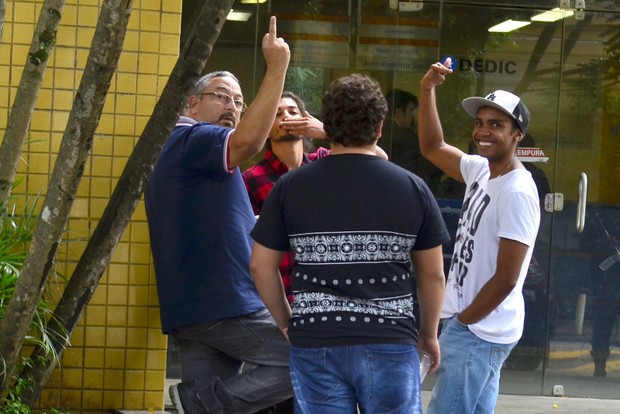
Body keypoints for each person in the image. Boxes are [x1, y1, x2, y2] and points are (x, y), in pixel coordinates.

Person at [250, 73, 449, 414]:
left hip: (315, 338)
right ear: (381, 127)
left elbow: (260, 265)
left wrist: (287, 322)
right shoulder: (413, 188)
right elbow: (432, 275)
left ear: (328, 124)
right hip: (390, 338)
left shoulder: (290, 187)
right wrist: (428, 333)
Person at [144, 17, 293, 414]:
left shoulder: (186, 149)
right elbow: (248, 141)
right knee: (304, 361)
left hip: (196, 307)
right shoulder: (191, 138)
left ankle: (199, 403)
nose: (233, 107)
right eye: (222, 96)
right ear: (192, 104)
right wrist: (277, 68)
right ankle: (199, 403)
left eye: (238, 101)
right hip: (226, 302)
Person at [418, 58, 541, 414]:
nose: (483, 131)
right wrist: (427, 90)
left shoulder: (516, 191)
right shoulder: (481, 170)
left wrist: (464, 323)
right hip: (477, 327)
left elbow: (507, 277)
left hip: (478, 331)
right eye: (480, 123)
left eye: (496, 125)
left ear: (517, 134)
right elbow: (432, 146)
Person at [581, 207, 620, 377]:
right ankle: (599, 364)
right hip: (605, 279)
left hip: (607, 279)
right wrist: (601, 244)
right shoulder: (598, 218)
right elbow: (583, 245)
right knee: (603, 323)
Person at [380, 88, 443, 192]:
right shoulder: (408, 140)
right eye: (411, 111)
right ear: (399, 113)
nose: (413, 116)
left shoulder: (374, 135)